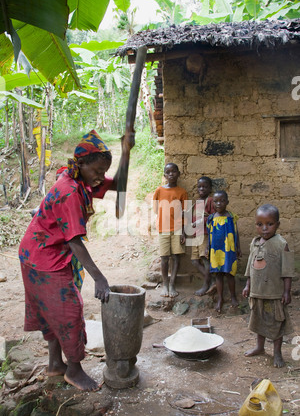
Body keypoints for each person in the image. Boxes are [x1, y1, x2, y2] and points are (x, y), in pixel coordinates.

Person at [19, 129, 129, 391]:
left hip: (40, 254)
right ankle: (74, 370)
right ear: (81, 164)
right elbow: (74, 240)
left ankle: (56, 364)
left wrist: (126, 152)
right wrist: (99, 278)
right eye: (98, 171)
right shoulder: (69, 191)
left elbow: (119, 183)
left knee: (53, 312)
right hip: (42, 259)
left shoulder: (82, 180)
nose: (101, 177)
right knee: (69, 312)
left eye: (104, 172)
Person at [242, 204, 294, 368]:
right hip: (257, 292)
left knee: (275, 323)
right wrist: (247, 285)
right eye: (260, 224)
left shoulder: (282, 244)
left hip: (274, 294)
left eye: (269, 224)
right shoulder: (254, 243)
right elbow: (250, 266)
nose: (264, 228)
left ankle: (277, 353)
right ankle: (260, 346)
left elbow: (288, 270)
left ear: (277, 224)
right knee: (258, 320)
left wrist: (286, 291)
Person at [153, 163, 187, 297]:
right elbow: (156, 209)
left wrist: (184, 231)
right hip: (163, 228)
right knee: (164, 258)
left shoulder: (182, 192)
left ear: (179, 173)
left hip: (177, 229)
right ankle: (165, 284)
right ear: (164, 175)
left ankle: (172, 284)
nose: (171, 174)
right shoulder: (159, 191)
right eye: (168, 172)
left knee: (176, 257)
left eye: (174, 171)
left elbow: (185, 213)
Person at [206, 190, 241, 313]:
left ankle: (233, 296)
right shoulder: (211, 218)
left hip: (229, 249)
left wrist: (238, 247)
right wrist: (207, 248)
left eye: (222, 201)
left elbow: (236, 233)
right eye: (215, 201)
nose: (218, 204)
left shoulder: (231, 216)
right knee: (219, 274)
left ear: (227, 202)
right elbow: (209, 235)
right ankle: (220, 298)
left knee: (230, 273)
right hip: (215, 250)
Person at [190, 176, 215, 296]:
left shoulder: (210, 200)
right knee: (194, 260)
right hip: (196, 234)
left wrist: (200, 222)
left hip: (204, 234)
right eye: (199, 186)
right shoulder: (197, 202)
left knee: (205, 259)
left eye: (205, 187)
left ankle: (206, 285)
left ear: (210, 189)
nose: (201, 189)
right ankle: (212, 280)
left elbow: (213, 217)